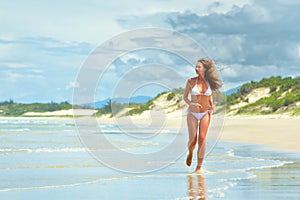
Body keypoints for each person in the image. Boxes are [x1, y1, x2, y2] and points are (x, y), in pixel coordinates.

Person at [183, 58, 222, 173]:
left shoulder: (210, 83)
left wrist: (212, 106)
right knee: (193, 140)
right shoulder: (190, 81)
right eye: (196, 67)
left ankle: (199, 167)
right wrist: (191, 103)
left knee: (202, 138)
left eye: (199, 67)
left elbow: (209, 97)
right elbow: (185, 97)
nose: (196, 69)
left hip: (205, 113)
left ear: (205, 69)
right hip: (193, 113)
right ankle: (190, 152)